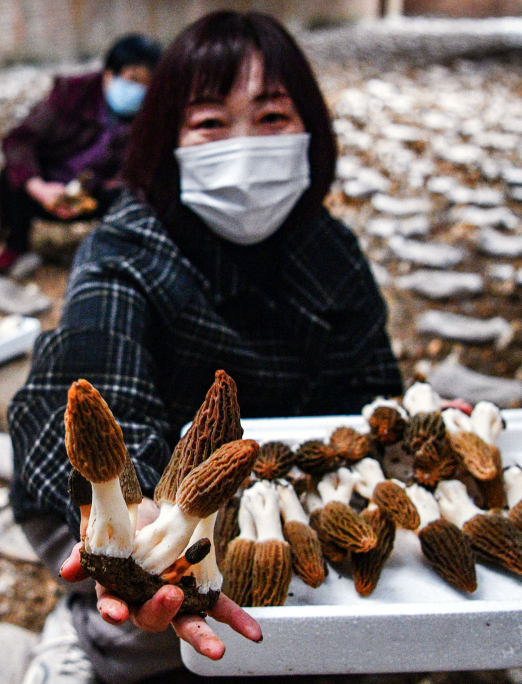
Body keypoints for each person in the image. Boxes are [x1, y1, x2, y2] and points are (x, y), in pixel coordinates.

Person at [10, 10, 403, 684]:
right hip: (108, 505)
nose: (245, 144)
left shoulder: (331, 253)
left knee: (336, 613)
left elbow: (368, 398)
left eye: (273, 117)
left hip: (267, 495)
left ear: (311, 131)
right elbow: (101, 389)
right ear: (169, 141)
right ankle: (84, 638)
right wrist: (131, 515)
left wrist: (412, 428)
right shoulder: (127, 249)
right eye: (211, 123)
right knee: (161, 620)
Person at [0, 33, 162, 275]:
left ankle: (118, 254)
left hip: (96, 194)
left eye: (146, 84)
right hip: (48, 188)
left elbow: (144, 168)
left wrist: (101, 189)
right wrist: (39, 187)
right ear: (109, 74)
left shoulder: (151, 115)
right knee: (9, 177)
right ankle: (15, 248)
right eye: (132, 80)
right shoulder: (72, 93)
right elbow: (19, 140)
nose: (138, 90)